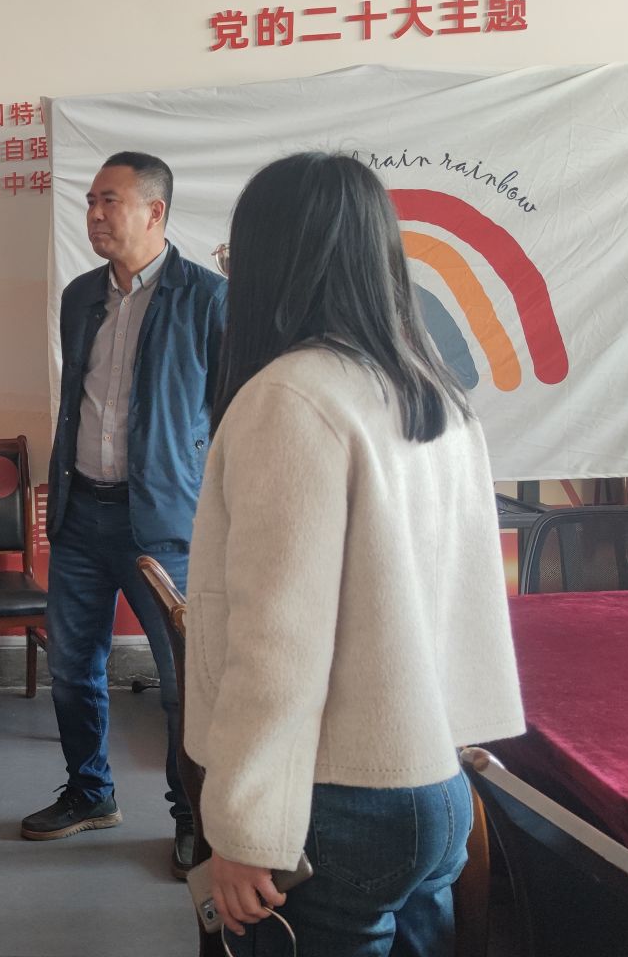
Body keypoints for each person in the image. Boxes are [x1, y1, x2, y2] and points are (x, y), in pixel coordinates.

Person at [188, 153, 524, 955]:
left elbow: (277, 641)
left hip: (333, 797)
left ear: (275, 262)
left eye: (236, 258)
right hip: (434, 780)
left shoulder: (290, 397)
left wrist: (244, 824)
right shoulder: (431, 389)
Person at [24, 151, 224, 878]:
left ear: (155, 211)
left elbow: (229, 413)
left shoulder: (208, 299)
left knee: (182, 683)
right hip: (81, 514)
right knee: (72, 668)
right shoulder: (80, 296)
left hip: (165, 523)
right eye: (91, 202)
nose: (95, 214)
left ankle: (191, 817)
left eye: (110, 200)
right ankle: (90, 794)